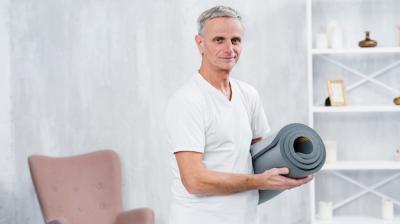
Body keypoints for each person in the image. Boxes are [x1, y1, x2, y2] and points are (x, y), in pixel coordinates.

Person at [165, 5, 313, 224]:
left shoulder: (248, 94)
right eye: (219, 40)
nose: (229, 49)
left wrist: (293, 170)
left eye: (235, 40)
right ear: (200, 44)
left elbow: (261, 157)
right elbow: (194, 181)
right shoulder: (188, 101)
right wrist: (258, 182)